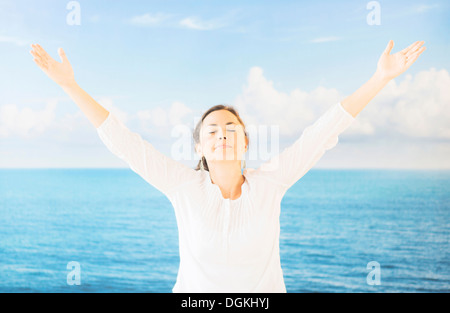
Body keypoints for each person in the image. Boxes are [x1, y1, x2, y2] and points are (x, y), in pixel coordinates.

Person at [30, 40, 426, 292]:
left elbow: (324, 131)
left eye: (231, 128)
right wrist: (69, 85)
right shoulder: (183, 186)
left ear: (246, 141)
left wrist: (380, 78)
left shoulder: (271, 183)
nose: (221, 134)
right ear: (201, 145)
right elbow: (122, 140)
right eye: (212, 130)